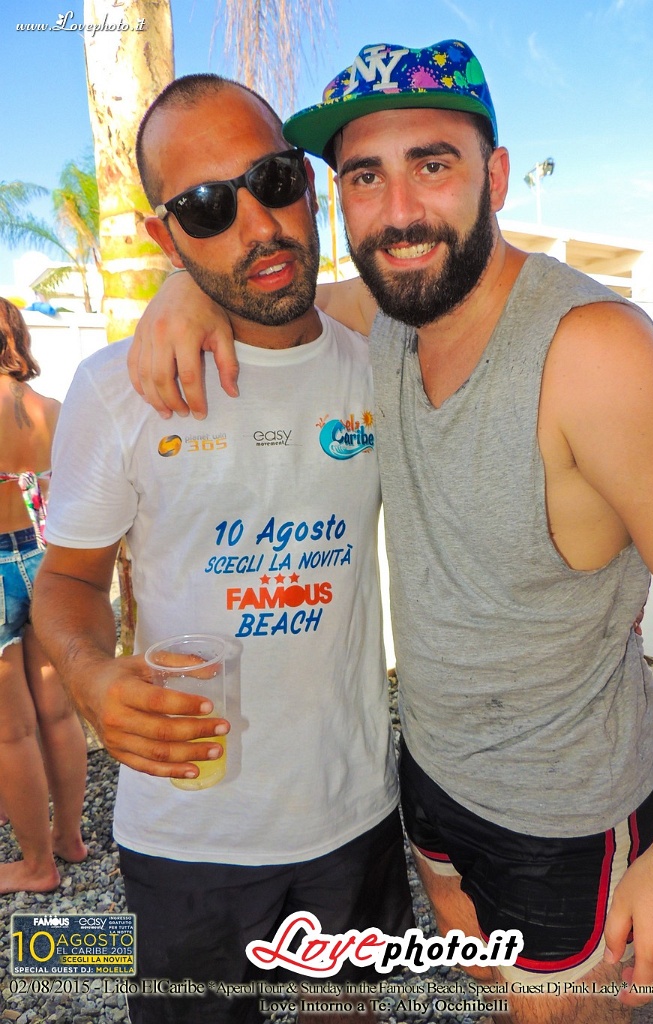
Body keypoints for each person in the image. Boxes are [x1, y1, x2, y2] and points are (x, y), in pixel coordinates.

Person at [127, 40, 653, 1024]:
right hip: (429, 783)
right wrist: (180, 285)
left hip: (563, 815)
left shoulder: (592, 354)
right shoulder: (389, 319)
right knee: (492, 991)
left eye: (432, 164)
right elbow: (272, 295)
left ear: (494, 177)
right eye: (364, 177)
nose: (400, 212)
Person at [32, 74, 413, 1024]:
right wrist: (90, 675)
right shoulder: (115, 390)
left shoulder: (385, 365)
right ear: (166, 236)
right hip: (185, 831)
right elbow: (68, 578)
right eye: (207, 207)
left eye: (274, 181)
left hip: (351, 812)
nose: (259, 225)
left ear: (308, 183)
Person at [0, 297, 88, 894]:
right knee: (57, 710)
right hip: (47, 559)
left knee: (11, 730)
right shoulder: (53, 410)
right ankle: (69, 837)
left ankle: (35, 866)